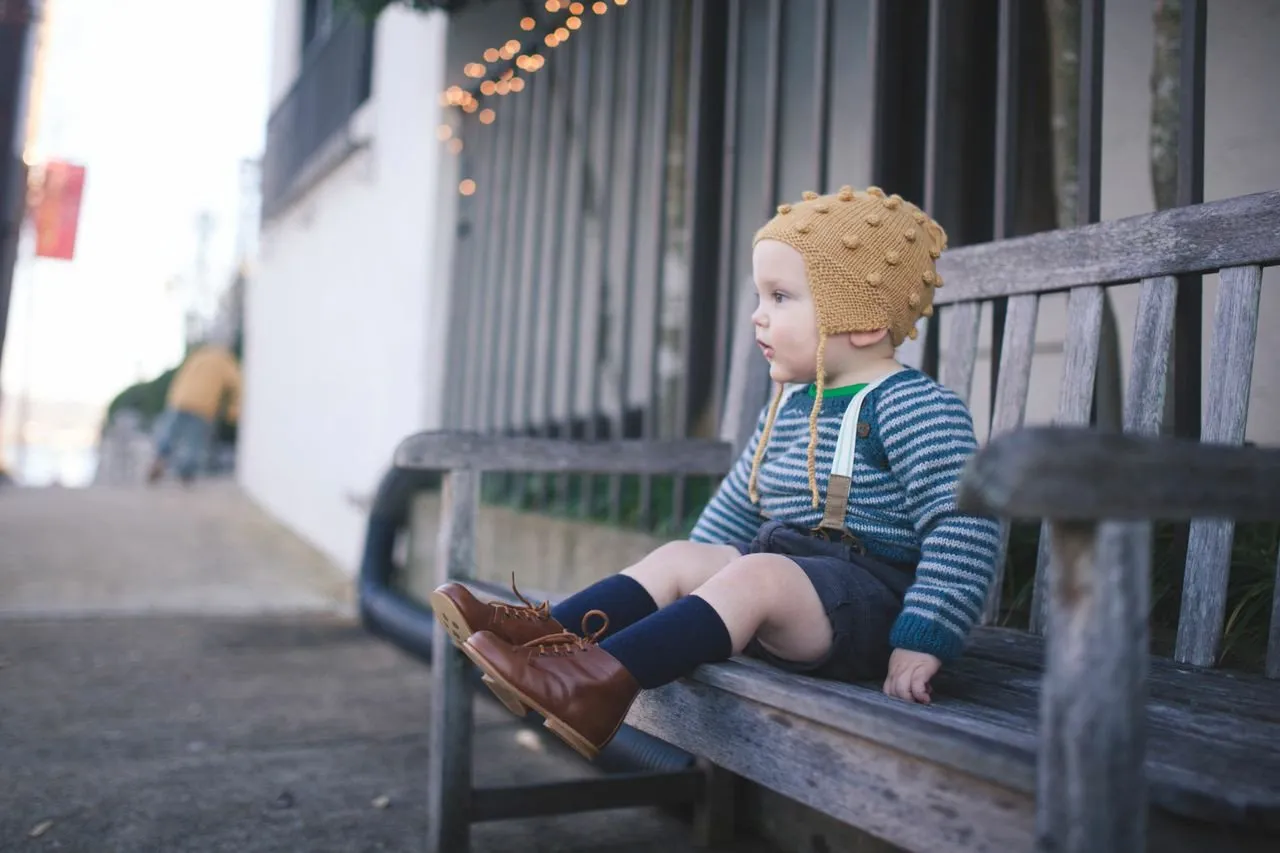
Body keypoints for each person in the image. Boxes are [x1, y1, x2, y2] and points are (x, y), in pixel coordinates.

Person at [429, 186, 1002, 761]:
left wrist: (923, 638)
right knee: (685, 555)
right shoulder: (792, 402)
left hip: (873, 615)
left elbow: (965, 525)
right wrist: (693, 585)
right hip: (799, 599)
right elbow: (736, 508)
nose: (758, 314)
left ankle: (590, 688)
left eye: (781, 297)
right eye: (761, 295)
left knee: (760, 574)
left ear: (865, 322)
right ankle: (543, 638)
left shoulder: (914, 406)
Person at [148, 336, 242, 486]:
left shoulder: (198, 356)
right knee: (193, 442)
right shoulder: (225, 361)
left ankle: (160, 459)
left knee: (169, 434)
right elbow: (236, 385)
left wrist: (172, 399)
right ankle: (186, 473)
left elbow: (180, 377)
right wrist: (233, 412)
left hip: (179, 400)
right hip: (203, 405)